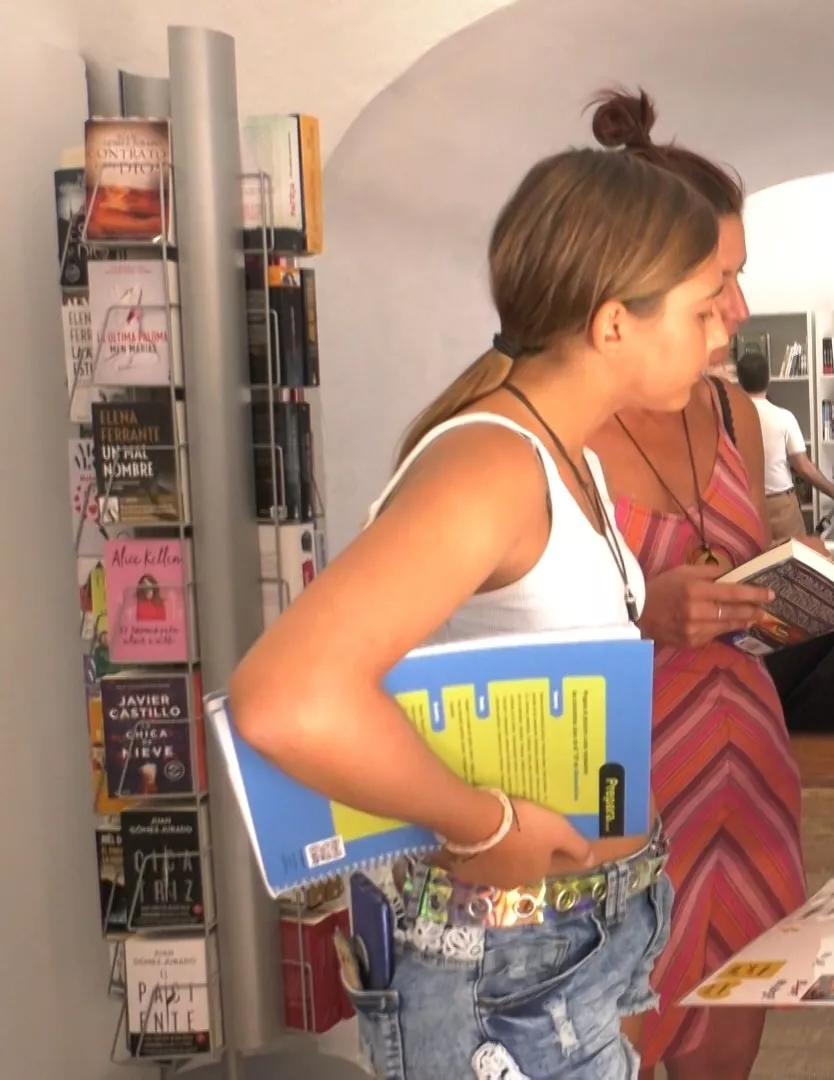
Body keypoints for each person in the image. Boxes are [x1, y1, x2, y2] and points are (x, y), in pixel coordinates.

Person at [224, 146, 724, 1079]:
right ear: (616, 324)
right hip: (504, 969)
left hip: (566, 950)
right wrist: (482, 824)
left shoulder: (567, 458)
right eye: (705, 306)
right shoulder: (490, 468)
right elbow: (285, 698)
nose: (725, 328)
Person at [581, 88, 805, 1080]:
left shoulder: (736, 416)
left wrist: (778, 606)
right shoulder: (557, 434)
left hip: (747, 781)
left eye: (739, 279)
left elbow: (754, 571)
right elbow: (481, 658)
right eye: (718, 286)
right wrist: (643, 612)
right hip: (617, 808)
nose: (741, 312)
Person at [735, 348, 834, 540]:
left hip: (743, 504)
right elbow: (803, 467)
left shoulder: (728, 419)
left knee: (750, 564)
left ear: (739, 381)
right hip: (780, 505)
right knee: (791, 561)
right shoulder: (783, 417)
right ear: (768, 379)